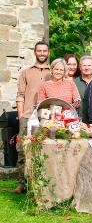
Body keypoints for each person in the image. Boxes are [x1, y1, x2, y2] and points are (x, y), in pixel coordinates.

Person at [14, 41, 51, 193]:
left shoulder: (53, 71)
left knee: (46, 148)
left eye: (44, 51)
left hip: (47, 117)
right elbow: (20, 95)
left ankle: (44, 182)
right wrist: (21, 115)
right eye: (39, 51)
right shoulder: (26, 72)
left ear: (48, 52)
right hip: (28, 116)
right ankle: (23, 183)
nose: (42, 53)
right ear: (35, 52)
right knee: (23, 149)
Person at [73, 55, 92, 123]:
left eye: (89, 65)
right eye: (84, 65)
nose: (87, 68)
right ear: (80, 67)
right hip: (78, 120)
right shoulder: (73, 83)